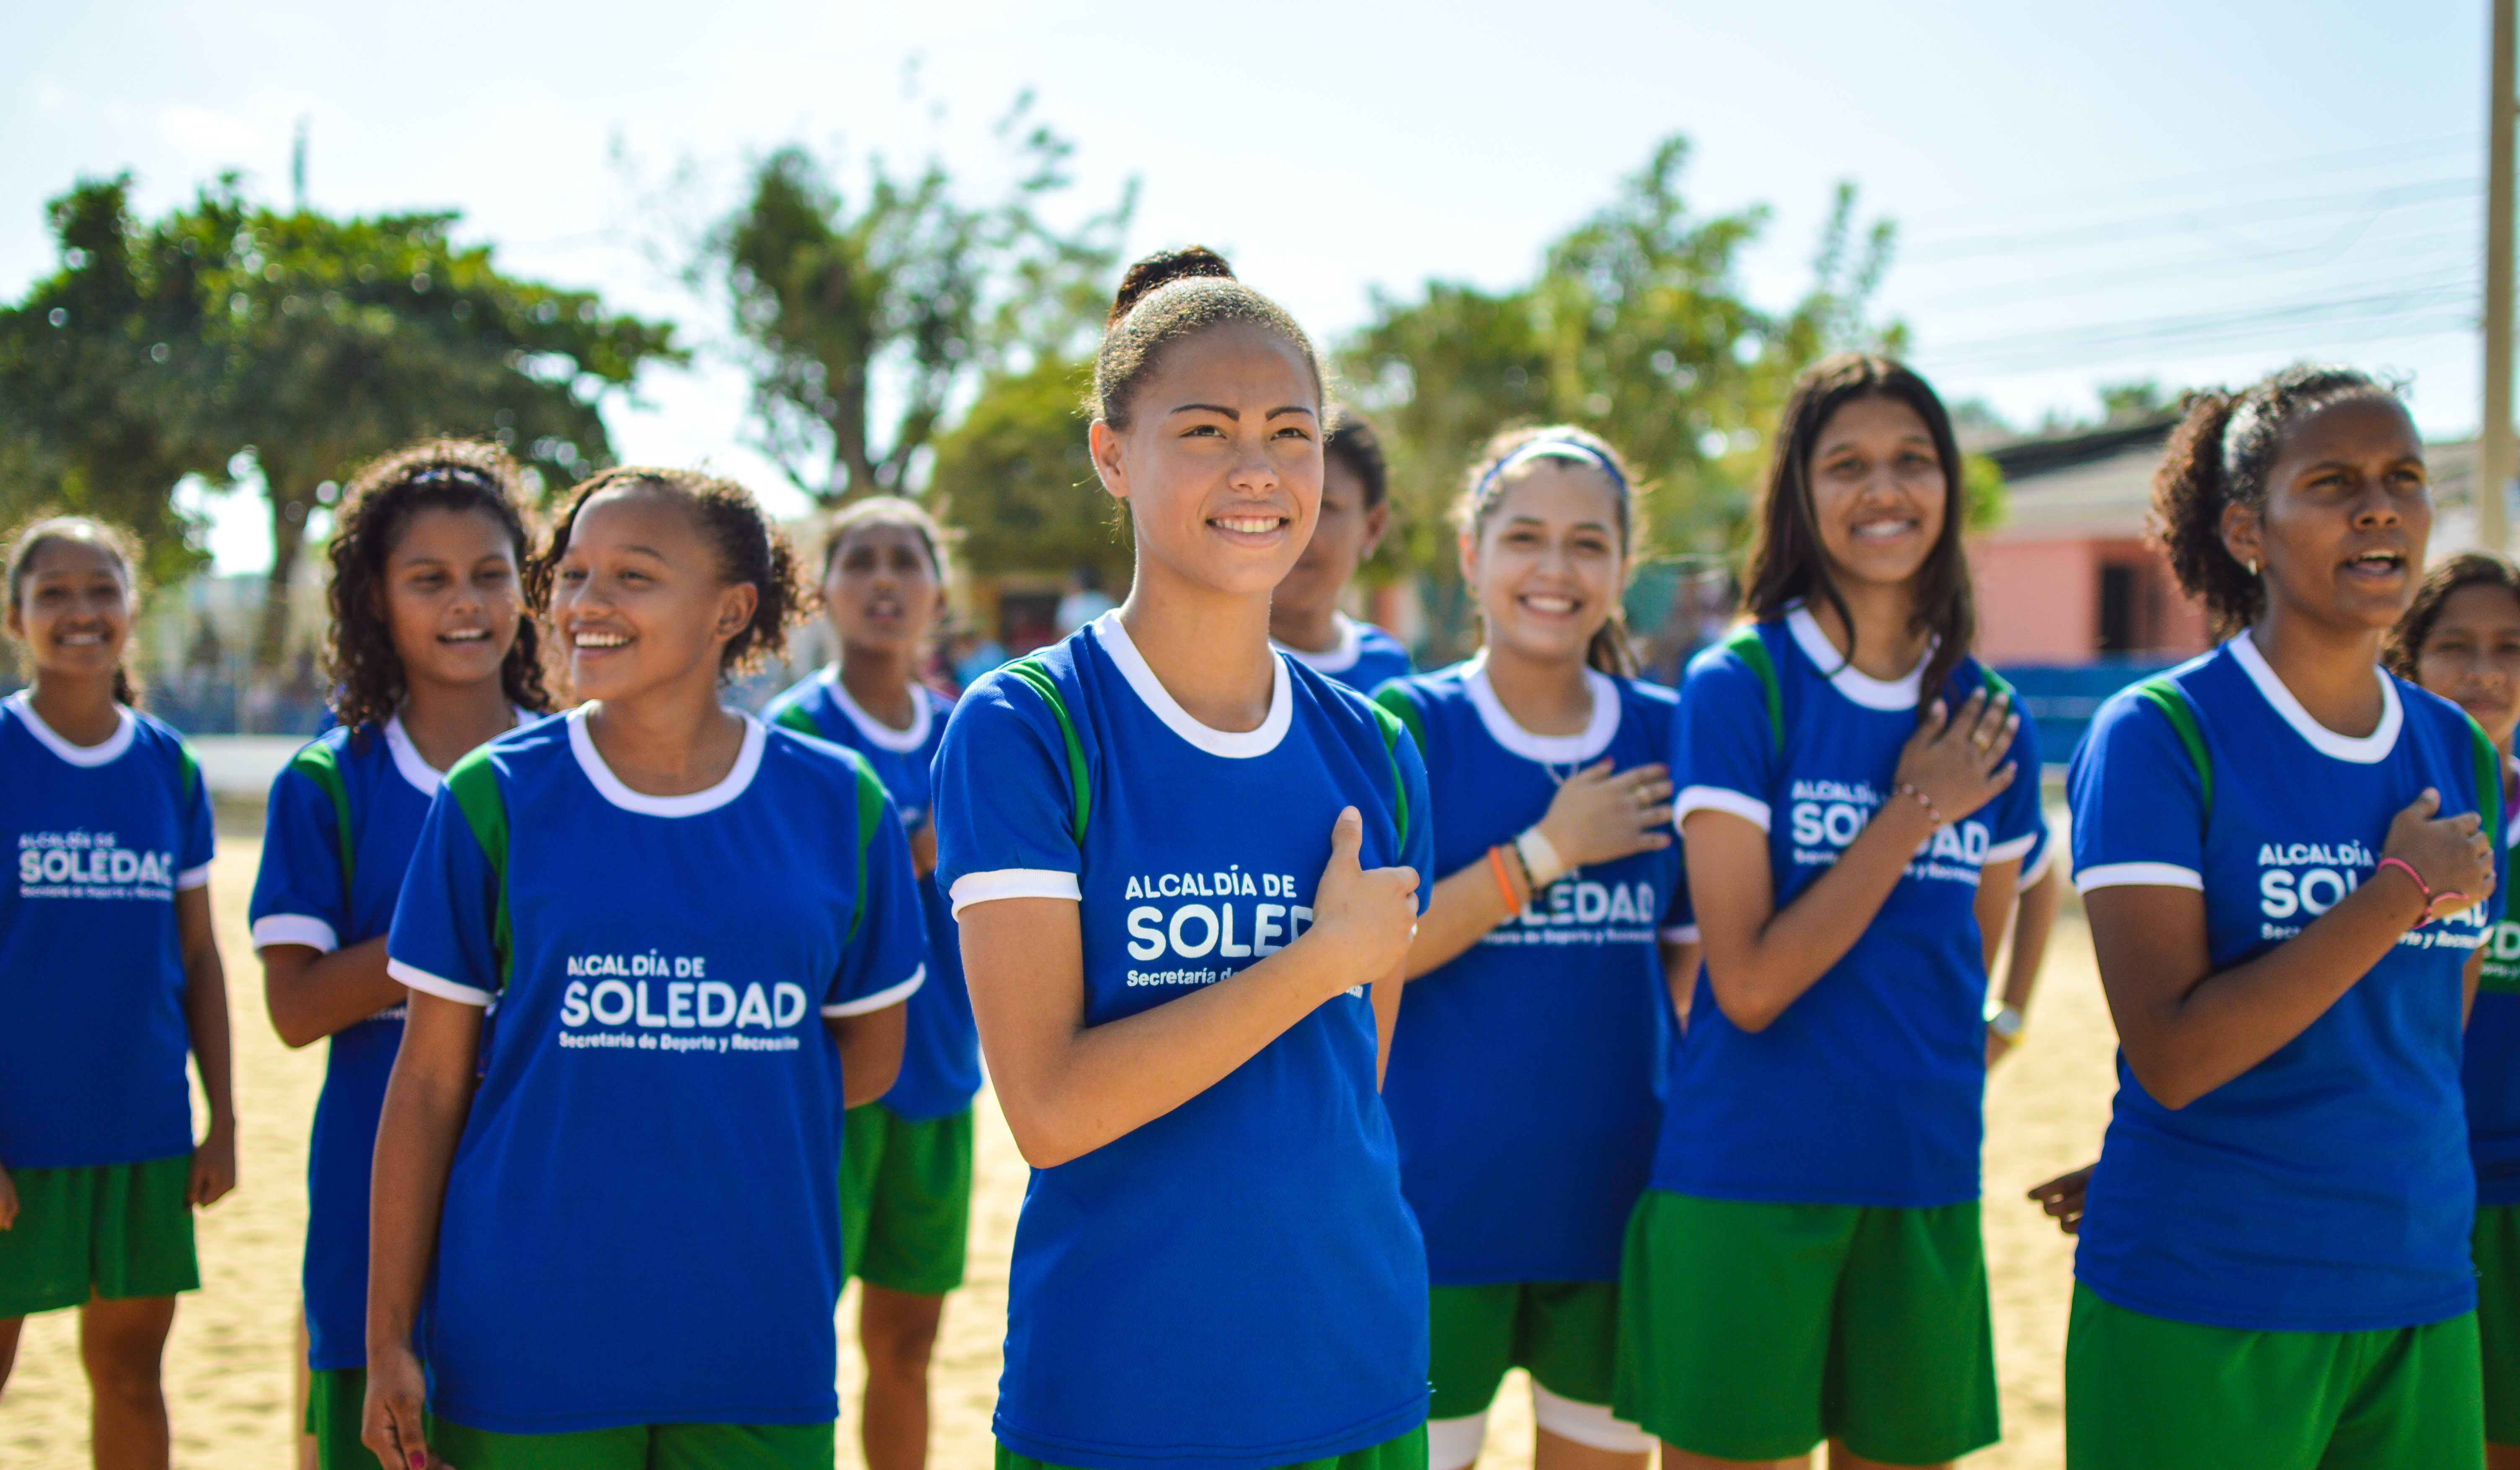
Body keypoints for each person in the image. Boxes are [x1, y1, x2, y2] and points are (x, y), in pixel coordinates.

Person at [933, 245, 1433, 1470]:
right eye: (1203, 429)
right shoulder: (1026, 727)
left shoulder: (1375, 744)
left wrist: (1330, 973)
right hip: (1127, 1387)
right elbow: (1048, 1109)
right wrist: (1316, 959)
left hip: (1357, 1362)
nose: (1256, 467)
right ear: (1112, 452)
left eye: (1290, 431)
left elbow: (1344, 1082)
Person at [361, 467, 925, 1470]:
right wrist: (388, 1337)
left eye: (633, 576)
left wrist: (705, 1091)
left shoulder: (841, 804)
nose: (586, 605)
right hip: (527, 1340)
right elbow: (429, 1081)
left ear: (730, 610)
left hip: (757, 1334)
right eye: (573, 574)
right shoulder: (493, 797)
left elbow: (872, 1056)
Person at [2062, 366, 2497, 1470]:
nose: (2381, 506)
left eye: (2404, 476)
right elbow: (2175, 1050)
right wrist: (2397, 892)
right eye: (2335, 481)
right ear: (2248, 527)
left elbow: (2420, 1046)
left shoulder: (2458, 752)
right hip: (2211, 1286)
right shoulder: (2159, 734)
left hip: (2416, 1286)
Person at [1623, 354, 2042, 1470]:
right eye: (1846, 464)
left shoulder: (1989, 713)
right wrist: (1912, 811)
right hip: (1751, 1175)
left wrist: (2004, 1020)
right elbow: (1750, 984)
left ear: (1950, 485)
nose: (1884, 489)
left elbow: (1975, 949)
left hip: (1923, 1173)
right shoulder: (1743, 683)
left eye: (1913, 461)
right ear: (1799, 492)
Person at [1373, 426, 1689, 1470]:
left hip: (1614, 1206)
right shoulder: (1407, 727)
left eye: (1587, 543)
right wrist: (1551, 847)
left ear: (1622, 569)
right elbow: (1378, 953)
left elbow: (1687, 971)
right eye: (1523, 538)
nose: (1554, 570)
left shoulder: (1667, 731)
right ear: (1470, 554)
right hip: (1433, 1211)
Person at [247, 442, 548, 1470]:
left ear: (527, 586)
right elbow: (293, 1010)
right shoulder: (331, 781)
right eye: (428, 579)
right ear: (374, 599)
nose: (464, 602)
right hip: (372, 1193)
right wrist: (451, 928)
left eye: (489, 574)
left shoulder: (578, 767)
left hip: (538, 1184)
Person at [0, 517, 233, 1470]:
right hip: (17, 1135)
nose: (81, 610)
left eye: (101, 589)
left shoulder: (168, 764)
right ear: (15, 617)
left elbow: (201, 957)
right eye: (53, 592)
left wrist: (221, 1119)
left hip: (142, 1130)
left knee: (134, 1377)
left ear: (133, 611)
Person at [765, 495, 975, 1470]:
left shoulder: (975, 730)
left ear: (940, 590)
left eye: (906, 561)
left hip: (937, 1075)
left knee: (907, 1345)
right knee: (792, 1339)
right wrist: (918, 848)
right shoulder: (789, 736)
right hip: (822, 1085)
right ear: (822, 589)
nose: (884, 581)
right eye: (860, 562)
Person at [2384, 550, 2520, 1470]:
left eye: (2509, 646)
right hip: (2417, 1184)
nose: (2482, 671)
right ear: (2406, 657)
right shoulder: (2384, 819)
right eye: (2453, 646)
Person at [1271, 407, 1412, 691]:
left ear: (1373, 527)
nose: (1292, 524)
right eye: (1274, 499)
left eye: (1323, 505)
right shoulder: (1190, 664)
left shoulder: (1391, 676)